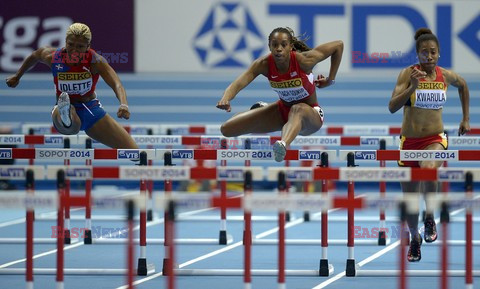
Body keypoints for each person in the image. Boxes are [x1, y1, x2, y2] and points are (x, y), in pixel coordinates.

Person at [389, 28, 470, 262]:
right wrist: (411, 88)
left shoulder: (445, 76)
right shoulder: (408, 74)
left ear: (439, 54)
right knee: (411, 203)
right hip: (409, 142)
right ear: (418, 54)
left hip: (434, 138)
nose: (429, 56)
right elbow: (392, 107)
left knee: (429, 165)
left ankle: (431, 216)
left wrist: (466, 118)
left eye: (433, 52)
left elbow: (463, 85)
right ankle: (415, 239)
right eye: (424, 53)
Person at [216, 27, 343, 162]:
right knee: (227, 129)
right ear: (269, 47)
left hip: (311, 114)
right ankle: (264, 109)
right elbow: (238, 83)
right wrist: (226, 98)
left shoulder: (304, 61)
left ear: (290, 47)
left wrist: (330, 80)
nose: (279, 49)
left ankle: (283, 145)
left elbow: (338, 45)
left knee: (297, 108)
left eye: (283, 45)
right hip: (283, 111)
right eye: (274, 45)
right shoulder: (263, 64)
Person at [6, 23, 138, 149]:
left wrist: (123, 104)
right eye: (71, 44)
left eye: (80, 47)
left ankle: (142, 167)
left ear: (88, 46)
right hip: (62, 111)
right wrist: (17, 76)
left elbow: (117, 83)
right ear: (65, 42)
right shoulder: (52, 57)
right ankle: (66, 114)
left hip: (91, 109)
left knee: (135, 152)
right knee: (73, 124)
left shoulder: (96, 61)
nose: (74, 50)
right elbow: (34, 56)